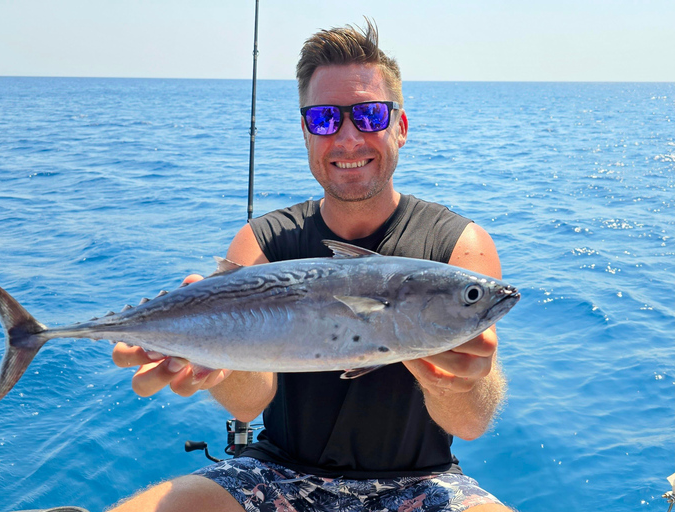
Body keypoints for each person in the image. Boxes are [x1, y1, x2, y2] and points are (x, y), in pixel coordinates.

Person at [110, 20, 512, 512]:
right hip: (276, 471)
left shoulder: (458, 245)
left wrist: (458, 379)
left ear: (400, 127)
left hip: (421, 481)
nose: (347, 138)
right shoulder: (262, 241)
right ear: (306, 131)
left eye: (368, 115)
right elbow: (249, 402)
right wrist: (216, 363)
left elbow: (470, 425)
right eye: (324, 119)